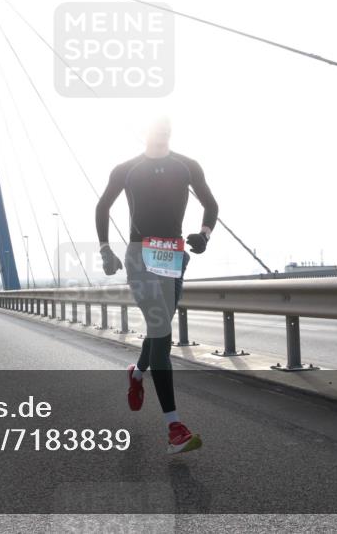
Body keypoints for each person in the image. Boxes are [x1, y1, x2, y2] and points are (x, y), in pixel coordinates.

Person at [95, 117, 217, 454]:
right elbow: (103, 205)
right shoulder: (127, 168)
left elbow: (211, 203)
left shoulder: (187, 165)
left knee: (159, 328)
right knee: (162, 332)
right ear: (145, 132)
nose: (161, 133)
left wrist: (204, 235)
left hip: (174, 256)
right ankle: (174, 427)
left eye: (166, 129)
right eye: (155, 128)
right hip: (139, 254)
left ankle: (136, 374)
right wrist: (106, 249)